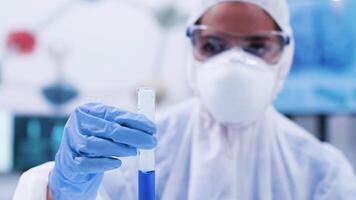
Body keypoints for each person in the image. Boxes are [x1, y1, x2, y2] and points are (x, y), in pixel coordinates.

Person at [14, 0, 356, 199]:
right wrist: (60, 192)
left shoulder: (321, 172)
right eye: (212, 45)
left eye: (257, 46)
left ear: (284, 54)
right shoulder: (137, 150)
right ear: (190, 49)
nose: (234, 63)